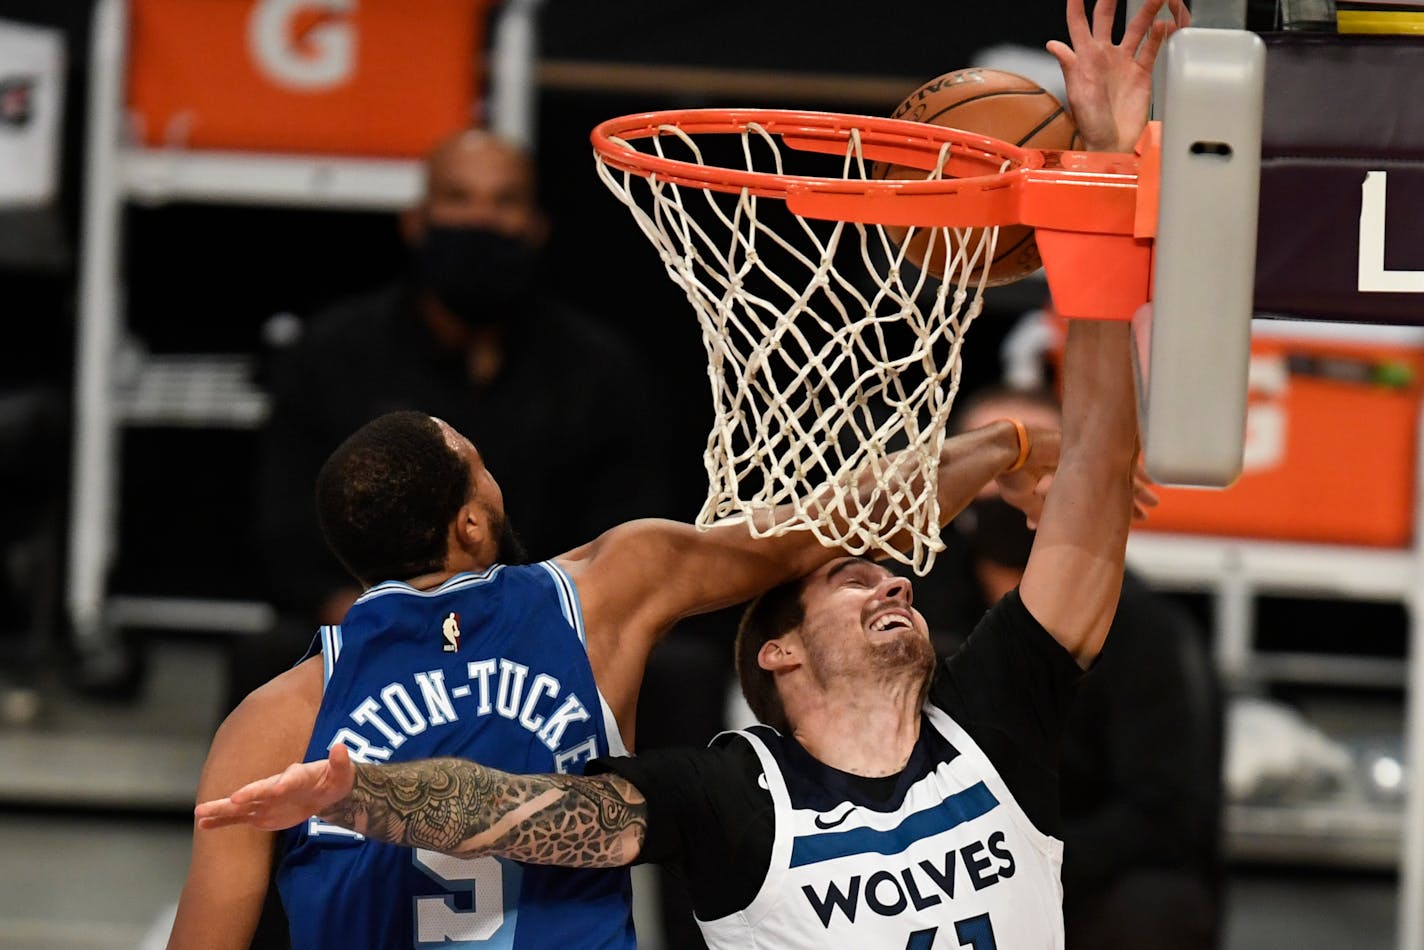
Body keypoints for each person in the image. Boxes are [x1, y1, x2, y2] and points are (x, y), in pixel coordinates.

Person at [169, 397, 1059, 950]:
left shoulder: (275, 718)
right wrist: (1004, 446)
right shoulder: (599, 596)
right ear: (472, 527)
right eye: (482, 469)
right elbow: (833, 523)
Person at [238, 128, 673, 711]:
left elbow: (630, 529)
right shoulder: (331, 354)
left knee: (677, 666)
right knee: (272, 651)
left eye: (504, 202)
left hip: (554, 626)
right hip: (377, 622)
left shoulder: (601, 368)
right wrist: (394, 621)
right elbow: (286, 537)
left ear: (537, 225)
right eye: (459, 199)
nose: (481, 220)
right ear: (417, 221)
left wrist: (534, 620)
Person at [931, 384, 1222, 950]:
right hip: (940, 868)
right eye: (998, 463)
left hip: (1082, 878)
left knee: (1155, 908)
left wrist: (1026, 867)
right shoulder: (914, 610)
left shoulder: (1147, 630)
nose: (1017, 490)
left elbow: (1163, 814)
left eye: (1040, 463)